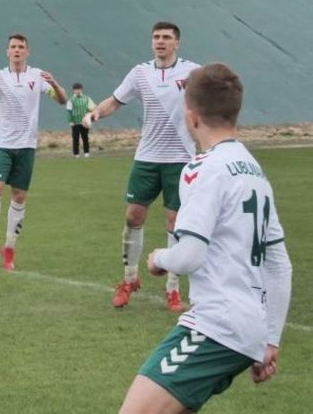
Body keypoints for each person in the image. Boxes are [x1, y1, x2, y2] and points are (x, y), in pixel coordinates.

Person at [118, 63, 292, 414]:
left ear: (192, 117)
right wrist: (270, 339)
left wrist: (158, 259)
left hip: (217, 326)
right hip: (248, 329)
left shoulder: (202, 168)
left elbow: (190, 255)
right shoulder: (254, 170)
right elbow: (280, 265)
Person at [85, 22, 199, 311]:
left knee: (175, 224)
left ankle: (172, 289)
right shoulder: (140, 72)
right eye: (156, 37)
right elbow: (116, 100)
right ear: (151, 42)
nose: (160, 42)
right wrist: (96, 113)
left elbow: (212, 97)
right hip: (147, 157)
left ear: (177, 43)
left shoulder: (193, 72)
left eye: (166, 38)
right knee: (133, 217)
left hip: (181, 159)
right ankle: (129, 279)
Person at [0, 34, 66, 271]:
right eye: (13, 47)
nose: (17, 50)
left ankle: (9, 249)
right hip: (3, 144)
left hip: (27, 145)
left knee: (18, 196)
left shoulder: (37, 76)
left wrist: (56, 85)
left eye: (21, 47)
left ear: (28, 51)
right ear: (7, 52)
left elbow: (61, 100)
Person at [66, 83, 95, 157]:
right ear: (73, 90)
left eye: (79, 89)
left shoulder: (86, 98)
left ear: (81, 89)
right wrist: (70, 121)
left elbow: (92, 108)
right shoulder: (71, 100)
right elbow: (69, 111)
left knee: (85, 137)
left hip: (84, 122)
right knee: (75, 138)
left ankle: (86, 153)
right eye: (76, 89)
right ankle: (76, 154)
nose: (77, 91)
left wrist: (89, 117)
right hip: (75, 122)